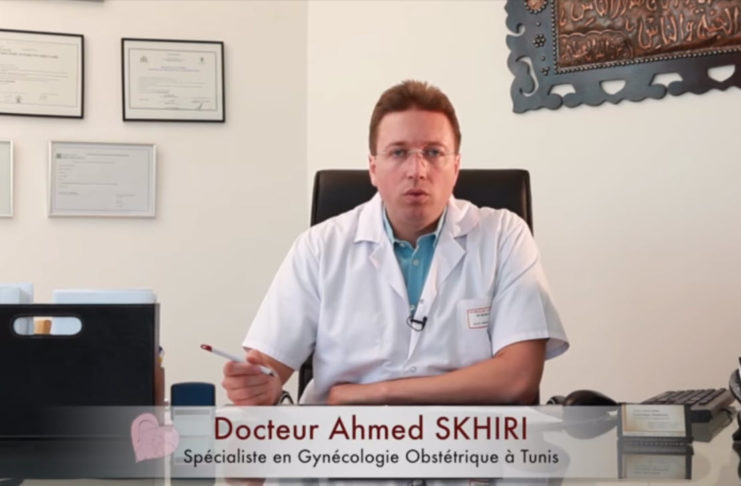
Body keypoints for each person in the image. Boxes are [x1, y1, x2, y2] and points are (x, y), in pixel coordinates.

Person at [222, 80, 568, 406]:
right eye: (398, 152)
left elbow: (519, 377)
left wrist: (377, 393)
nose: (417, 170)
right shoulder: (319, 246)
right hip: (345, 441)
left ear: (456, 167)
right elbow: (269, 363)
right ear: (373, 168)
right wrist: (258, 385)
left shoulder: (503, 235)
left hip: (469, 441)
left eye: (433, 152)